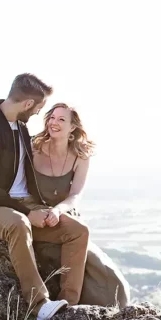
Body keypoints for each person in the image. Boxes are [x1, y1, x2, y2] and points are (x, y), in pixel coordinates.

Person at [0, 73, 87, 320]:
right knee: (19, 223)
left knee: (78, 231)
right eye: (39, 109)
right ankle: (39, 304)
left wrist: (49, 209)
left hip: (25, 205)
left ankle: (68, 307)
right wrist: (28, 212)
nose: (37, 115)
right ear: (27, 104)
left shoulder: (21, 128)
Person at [24, 102, 130, 309]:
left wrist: (58, 210)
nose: (54, 123)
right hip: (34, 215)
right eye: (52, 118)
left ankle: (70, 307)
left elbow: (75, 195)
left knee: (109, 277)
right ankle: (68, 304)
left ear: (73, 127)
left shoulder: (81, 155)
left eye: (61, 119)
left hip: (64, 216)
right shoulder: (32, 147)